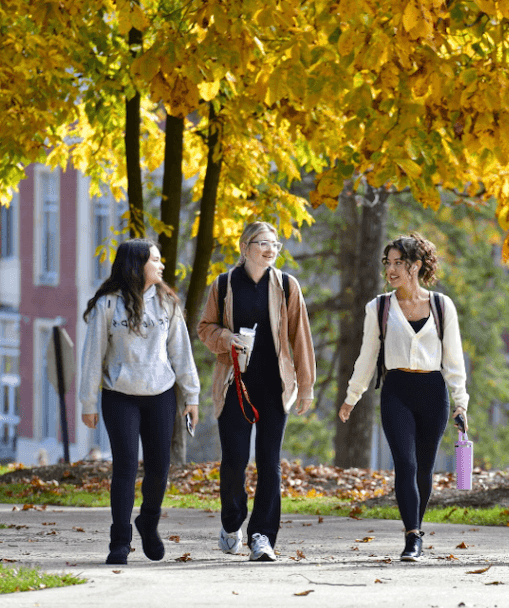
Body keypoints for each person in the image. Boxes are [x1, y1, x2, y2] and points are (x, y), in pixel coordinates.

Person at [339, 233, 469, 562]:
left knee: (424, 468)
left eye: (399, 263)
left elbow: (454, 359)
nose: (391, 270)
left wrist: (460, 402)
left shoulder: (442, 306)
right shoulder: (379, 307)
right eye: (388, 263)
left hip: (433, 393)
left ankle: (418, 527)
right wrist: (352, 397)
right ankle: (412, 536)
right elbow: (367, 356)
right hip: (396, 390)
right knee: (405, 465)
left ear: (417, 266)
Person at [197, 221, 316, 562]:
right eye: (263, 243)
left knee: (269, 462)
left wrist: (305, 387)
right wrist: (227, 339)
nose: (270, 249)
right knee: (235, 459)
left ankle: (262, 536)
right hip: (234, 383)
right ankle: (232, 521)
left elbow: (301, 339)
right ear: (245, 246)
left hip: (274, 385)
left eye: (275, 245)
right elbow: (205, 328)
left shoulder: (287, 287)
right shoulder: (223, 285)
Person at [79, 238, 200, 565]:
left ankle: (149, 520)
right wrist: (88, 402)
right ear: (137, 264)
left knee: (160, 467)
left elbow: (181, 352)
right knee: (126, 467)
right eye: (155, 260)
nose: (161, 266)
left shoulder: (168, 303)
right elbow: (93, 356)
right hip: (120, 396)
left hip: (161, 394)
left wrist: (191, 396)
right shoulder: (107, 305)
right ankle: (119, 542)